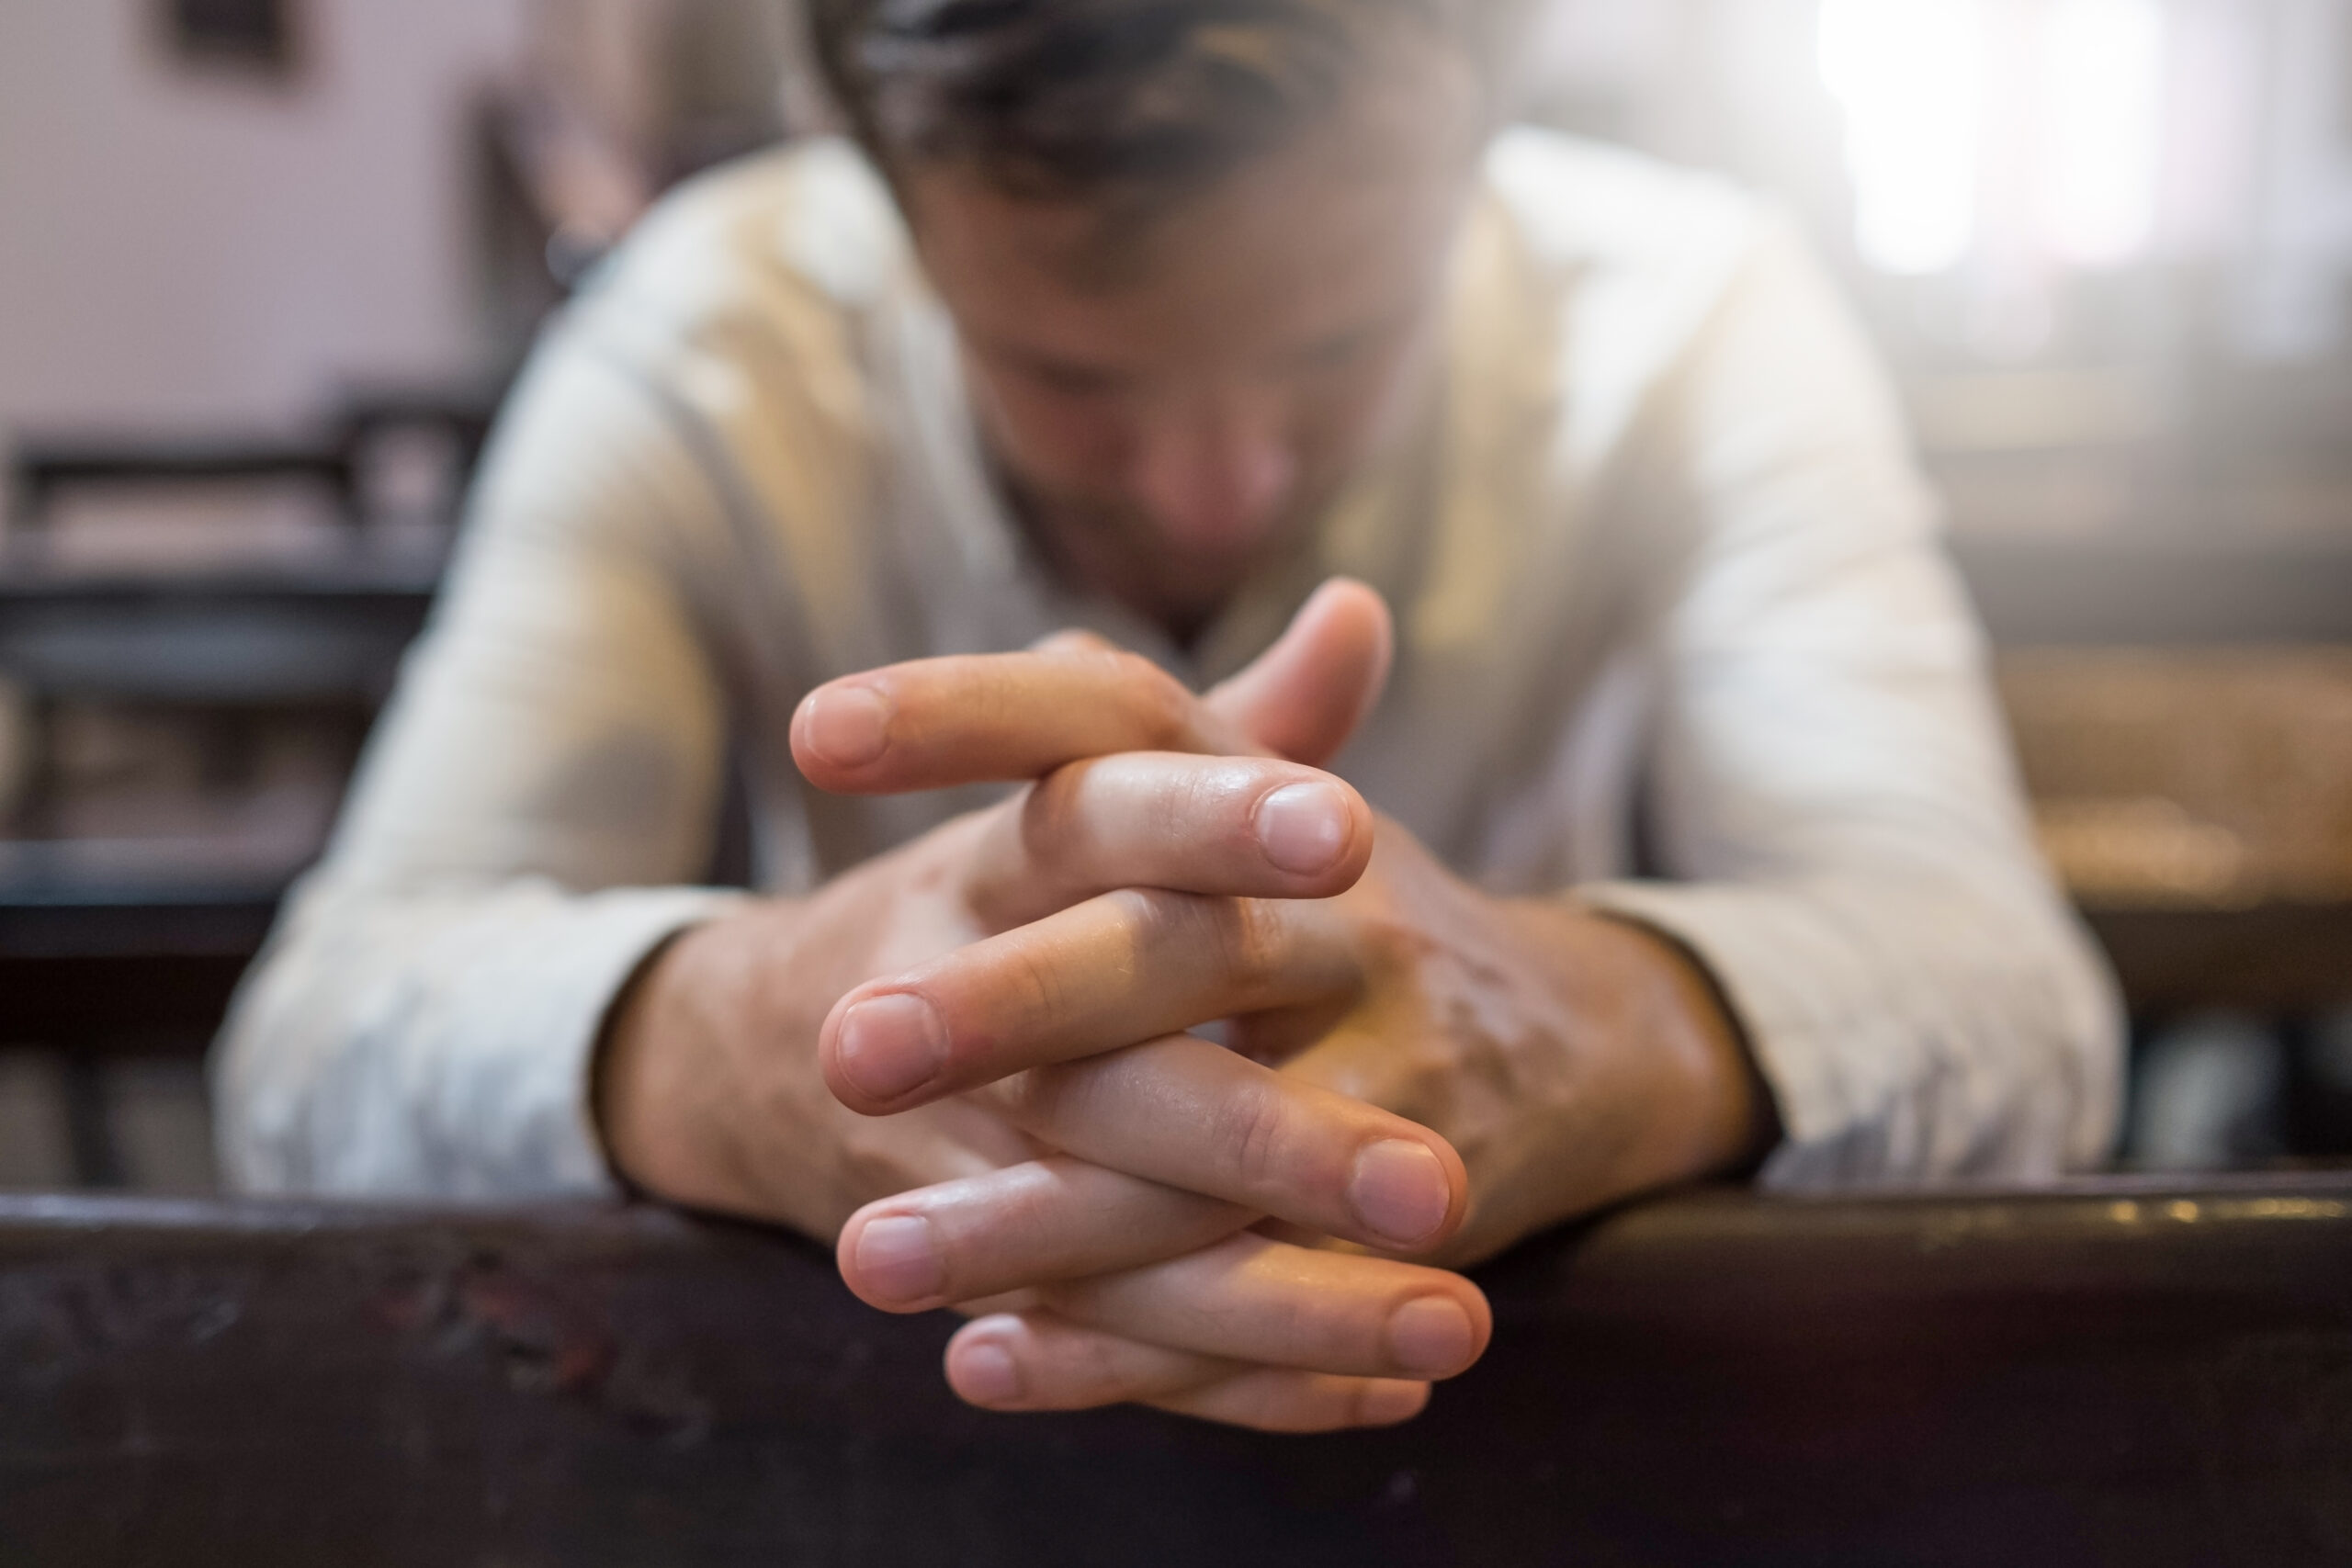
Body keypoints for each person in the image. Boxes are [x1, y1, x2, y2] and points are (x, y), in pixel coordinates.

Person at [214, 0, 2121, 1433]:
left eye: (1334, 345)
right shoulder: (707, 338)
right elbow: (309, 1042)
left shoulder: (1691, 311)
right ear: (878, 192)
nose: (1216, 491)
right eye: (1064, 371)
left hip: (1539, 1429)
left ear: (1481, 116)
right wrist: (753, 1044)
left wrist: (1596, 1022)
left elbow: (2002, 989)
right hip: (859, 1443)